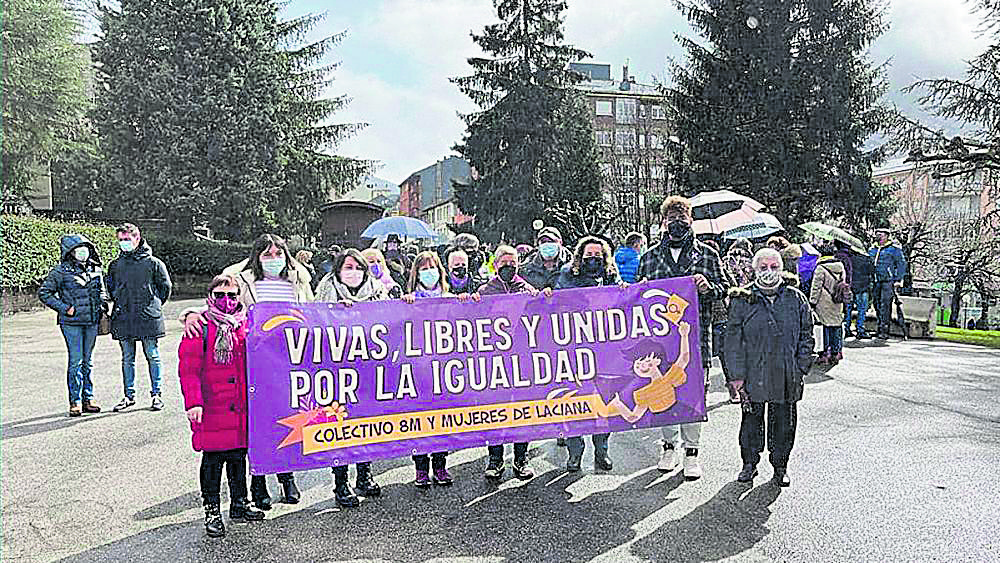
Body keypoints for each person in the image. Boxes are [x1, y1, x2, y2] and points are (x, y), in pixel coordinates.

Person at [182, 234, 311, 510]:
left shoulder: (298, 278)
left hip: (290, 358)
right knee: (258, 425)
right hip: (255, 360)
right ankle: (259, 482)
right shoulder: (242, 278)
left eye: (278, 253)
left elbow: (314, 312)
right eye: (267, 253)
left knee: (287, 419)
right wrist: (190, 314)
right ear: (256, 256)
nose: (273, 258)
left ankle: (286, 476)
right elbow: (220, 298)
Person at [637, 196, 727, 480]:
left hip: (696, 339)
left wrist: (708, 286)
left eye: (682, 218)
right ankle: (668, 446)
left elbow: (726, 288)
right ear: (664, 222)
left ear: (691, 221)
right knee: (664, 395)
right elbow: (637, 298)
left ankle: (692, 451)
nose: (677, 223)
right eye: (671, 219)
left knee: (693, 396)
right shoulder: (649, 257)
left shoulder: (708, 255)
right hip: (661, 345)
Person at [178, 274, 265, 538]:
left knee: (238, 459)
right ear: (210, 297)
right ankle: (212, 510)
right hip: (212, 408)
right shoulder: (199, 326)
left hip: (241, 408)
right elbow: (188, 371)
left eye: (232, 295)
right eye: (220, 295)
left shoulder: (247, 324)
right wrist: (193, 403)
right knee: (213, 462)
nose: (226, 301)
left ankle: (240, 503)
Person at [725, 248, 814, 487]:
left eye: (774, 267)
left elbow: (807, 333)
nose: (769, 272)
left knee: (784, 422)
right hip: (753, 371)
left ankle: (780, 466)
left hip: (786, 372)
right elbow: (732, 340)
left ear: (782, 268)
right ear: (754, 270)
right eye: (763, 267)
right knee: (751, 421)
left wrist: (800, 367)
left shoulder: (795, 298)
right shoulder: (742, 300)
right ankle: (749, 463)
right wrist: (735, 376)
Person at [315, 249, 387, 507]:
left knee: (366, 422)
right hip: (337, 371)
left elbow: (391, 321)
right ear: (337, 270)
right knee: (340, 425)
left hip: (367, 368)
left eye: (357, 267)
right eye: (347, 267)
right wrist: (334, 313)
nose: (353, 272)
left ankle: (364, 474)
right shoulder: (326, 291)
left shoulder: (378, 291)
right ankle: (341, 482)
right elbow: (314, 327)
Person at [401, 251, 479, 487]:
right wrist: (404, 306)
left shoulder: (449, 297)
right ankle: (421, 467)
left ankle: (441, 465)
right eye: (424, 268)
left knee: (442, 418)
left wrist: (466, 304)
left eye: (432, 267)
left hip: (444, 369)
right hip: (418, 369)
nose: (429, 272)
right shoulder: (410, 299)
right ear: (416, 273)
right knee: (419, 419)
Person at [478, 245, 550, 480]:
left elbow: (542, 318)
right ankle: (496, 459)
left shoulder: (527, 289)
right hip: (495, 362)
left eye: (513, 262)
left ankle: (521, 459)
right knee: (495, 410)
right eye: (504, 263)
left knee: (522, 410)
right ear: (496, 265)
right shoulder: (486, 290)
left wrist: (544, 298)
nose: (509, 267)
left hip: (522, 361)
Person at [554, 236, 623, 472]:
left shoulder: (611, 276)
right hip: (573, 349)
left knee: (604, 402)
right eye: (588, 255)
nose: (592, 260)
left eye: (597, 255)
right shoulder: (567, 274)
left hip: (604, 351)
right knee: (575, 401)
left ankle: (602, 450)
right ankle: (575, 452)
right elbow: (559, 302)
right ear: (579, 257)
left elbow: (622, 303)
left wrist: (625, 291)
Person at [39, 234, 109, 417]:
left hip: (91, 321)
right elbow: (45, 293)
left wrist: (102, 305)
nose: (83, 252)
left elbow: (101, 290)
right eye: (79, 248)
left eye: (85, 247)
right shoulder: (60, 271)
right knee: (76, 361)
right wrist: (64, 308)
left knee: (88, 362)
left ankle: (89, 398)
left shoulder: (96, 269)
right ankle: (75, 401)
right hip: (71, 323)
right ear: (70, 252)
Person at [107, 223, 172, 413]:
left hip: (147, 317)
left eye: (127, 239)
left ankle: (156, 395)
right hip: (124, 316)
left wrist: (153, 304)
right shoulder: (116, 265)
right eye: (120, 240)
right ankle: (129, 396)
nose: (123, 243)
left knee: (152, 355)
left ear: (137, 238)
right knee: (127, 358)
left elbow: (164, 288)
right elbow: (111, 287)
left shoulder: (153, 263)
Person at [702, 239, 739, 404]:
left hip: (719, 316)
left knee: (719, 355)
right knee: (712, 356)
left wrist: (710, 287)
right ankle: (730, 390)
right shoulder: (698, 269)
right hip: (716, 317)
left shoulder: (718, 268)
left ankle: (727, 389)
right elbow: (734, 284)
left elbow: (729, 286)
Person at [810, 243, 847, 365]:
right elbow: (843, 282)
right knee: (836, 326)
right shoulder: (840, 265)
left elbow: (816, 287)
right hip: (837, 301)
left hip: (823, 302)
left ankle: (825, 353)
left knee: (824, 328)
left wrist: (812, 302)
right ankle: (836, 352)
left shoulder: (820, 268)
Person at [869, 228, 907, 340]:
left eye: (880, 234)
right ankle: (879, 327)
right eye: (877, 234)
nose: (878, 236)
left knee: (885, 305)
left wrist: (898, 280)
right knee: (876, 304)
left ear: (886, 236)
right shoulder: (872, 249)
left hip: (888, 281)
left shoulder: (894, 250)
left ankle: (885, 329)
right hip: (875, 281)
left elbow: (901, 264)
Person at [520, 226, 571, 292]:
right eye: (543, 242)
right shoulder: (526, 268)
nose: (547, 244)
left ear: (560, 242)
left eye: (551, 241)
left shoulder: (572, 265)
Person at [845, 249, 874, 339]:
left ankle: (847, 329)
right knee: (862, 309)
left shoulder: (849, 259)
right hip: (863, 287)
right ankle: (860, 330)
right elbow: (872, 272)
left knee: (848, 309)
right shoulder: (867, 259)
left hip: (851, 286)